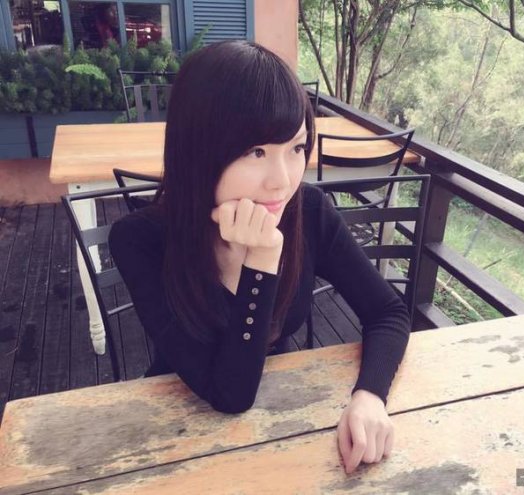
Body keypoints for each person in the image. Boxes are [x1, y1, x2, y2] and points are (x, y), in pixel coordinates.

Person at [108, 40, 410, 475]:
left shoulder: (309, 211)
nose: (282, 181)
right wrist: (262, 259)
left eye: (296, 148)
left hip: (285, 424)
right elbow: (230, 395)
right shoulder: (141, 240)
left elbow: (387, 311)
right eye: (256, 152)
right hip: (175, 434)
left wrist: (370, 396)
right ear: (199, 150)